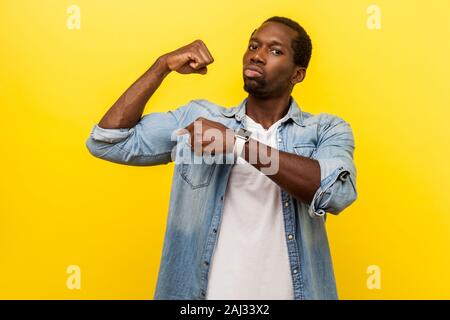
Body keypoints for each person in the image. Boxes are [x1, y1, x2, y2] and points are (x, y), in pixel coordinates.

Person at [86, 16, 358, 300]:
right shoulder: (200, 118)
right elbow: (107, 141)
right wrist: (162, 66)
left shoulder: (325, 129)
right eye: (254, 45)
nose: (257, 56)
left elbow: (335, 193)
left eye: (275, 51)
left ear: (297, 74)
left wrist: (238, 145)